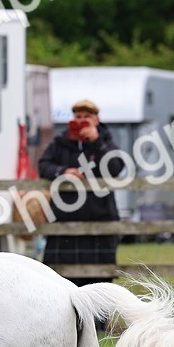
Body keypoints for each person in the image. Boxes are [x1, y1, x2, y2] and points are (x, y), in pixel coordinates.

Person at [37, 99, 124, 286]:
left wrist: (96, 141)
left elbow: (115, 167)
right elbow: (43, 165)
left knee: (100, 281)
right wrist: (63, 171)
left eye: (87, 117)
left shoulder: (106, 143)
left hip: (99, 222)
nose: (81, 120)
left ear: (96, 120)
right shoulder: (60, 143)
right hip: (64, 221)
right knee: (59, 280)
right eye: (78, 116)